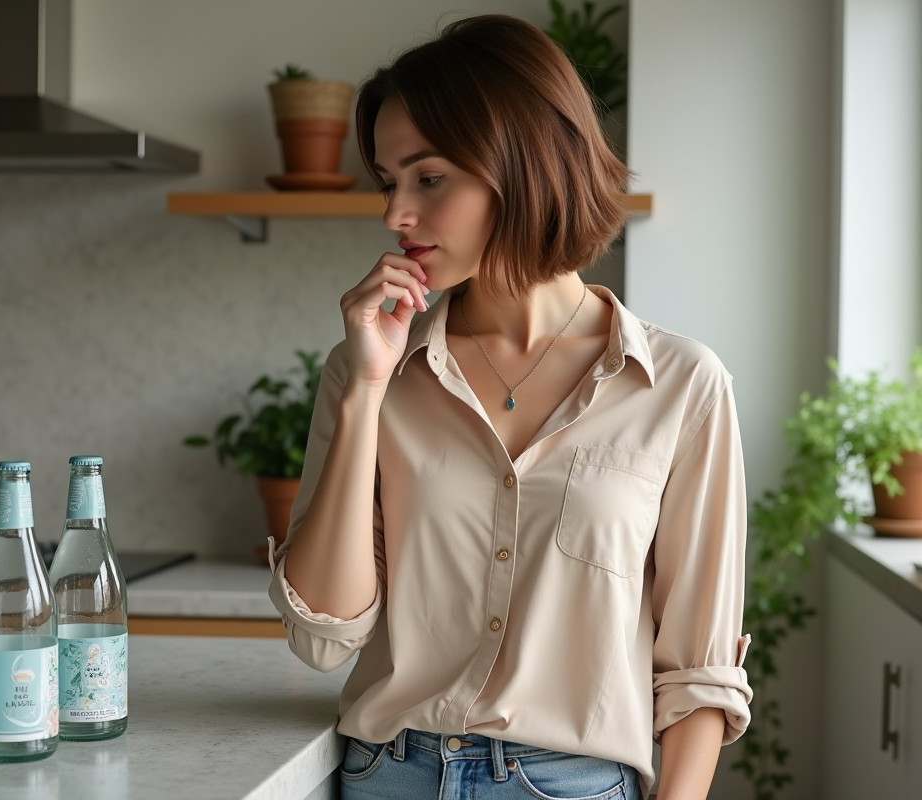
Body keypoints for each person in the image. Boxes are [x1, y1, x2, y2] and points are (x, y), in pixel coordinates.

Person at [267, 14, 752, 800]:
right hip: (387, 776)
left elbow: (699, 667)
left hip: (573, 785)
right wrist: (365, 393)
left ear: (523, 164)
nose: (396, 214)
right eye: (389, 183)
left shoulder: (681, 386)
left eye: (428, 178)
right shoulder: (369, 372)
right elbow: (324, 635)